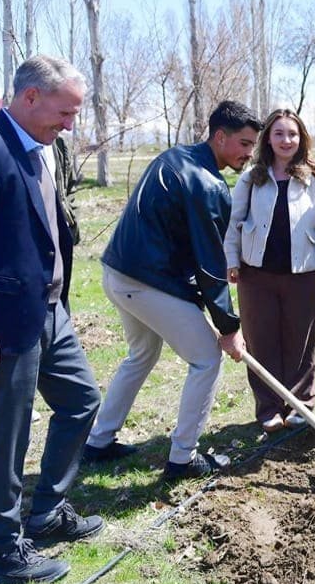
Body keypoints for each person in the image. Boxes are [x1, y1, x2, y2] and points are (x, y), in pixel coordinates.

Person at [0, 55, 103, 584]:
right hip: (8, 320)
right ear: (30, 96)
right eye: (65, 112)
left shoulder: (42, 148)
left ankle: (48, 511)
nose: (70, 124)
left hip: (50, 310)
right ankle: (4, 551)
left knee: (82, 401)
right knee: (9, 434)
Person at [85, 101, 260, 478]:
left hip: (118, 272)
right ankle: (183, 458)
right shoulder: (207, 185)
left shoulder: (176, 156)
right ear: (220, 137)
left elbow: (182, 246)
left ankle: (98, 441)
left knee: (141, 354)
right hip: (145, 282)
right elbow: (210, 265)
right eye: (245, 144)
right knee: (207, 359)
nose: (249, 153)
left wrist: (202, 304)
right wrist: (229, 328)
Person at [225, 109, 315, 433]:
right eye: (279, 133)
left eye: (292, 134)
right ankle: (269, 409)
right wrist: (232, 260)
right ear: (268, 139)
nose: (286, 140)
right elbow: (233, 223)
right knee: (261, 343)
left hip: (302, 276)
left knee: (300, 343)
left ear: (301, 139)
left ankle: (301, 406)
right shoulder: (252, 178)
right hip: (256, 276)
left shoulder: (314, 182)